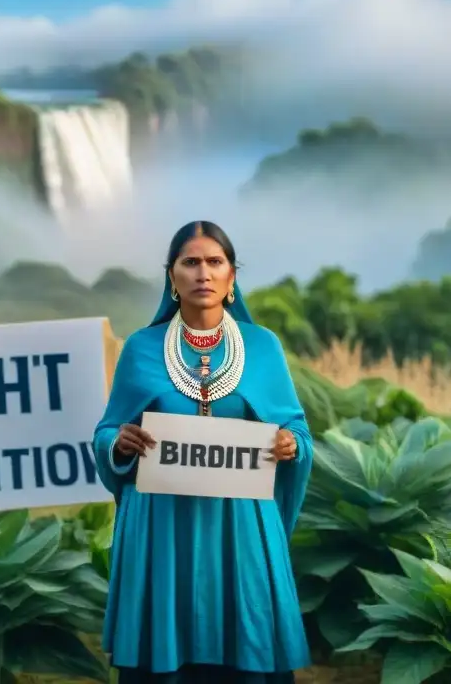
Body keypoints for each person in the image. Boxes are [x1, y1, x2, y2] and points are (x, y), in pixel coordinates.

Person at [93, 221, 314, 683]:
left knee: (244, 644)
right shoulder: (141, 348)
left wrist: (290, 443)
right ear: (171, 276)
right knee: (168, 653)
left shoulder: (262, 347)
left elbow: (294, 425)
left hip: (240, 525)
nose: (203, 273)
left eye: (215, 262)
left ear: (232, 277)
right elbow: (108, 430)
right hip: (162, 525)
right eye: (190, 262)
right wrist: (120, 444)